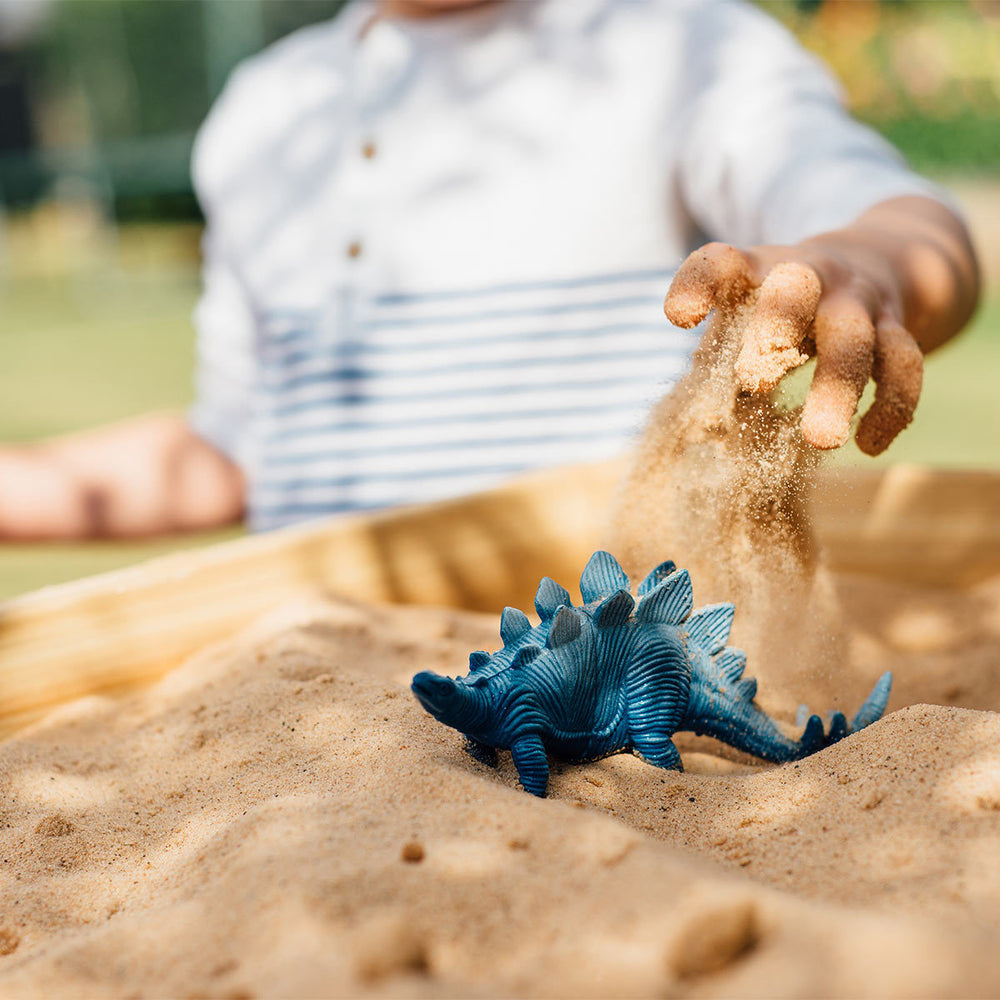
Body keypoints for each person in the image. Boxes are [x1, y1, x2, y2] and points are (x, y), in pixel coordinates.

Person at [0, 0, 979, 538]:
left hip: (598, 661)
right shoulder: (264, 109)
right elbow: (242, 450)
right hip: (314, 708)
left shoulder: (680, 44)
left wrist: (861, 266)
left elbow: (897, 219)